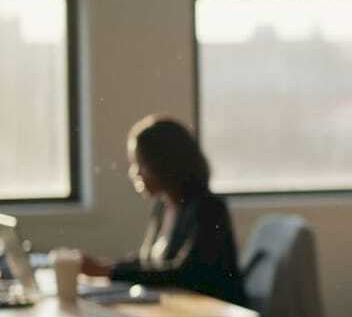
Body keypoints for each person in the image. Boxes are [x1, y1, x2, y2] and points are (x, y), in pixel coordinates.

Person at [81, 115, 245, 306]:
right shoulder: (163, 206)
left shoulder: (208, 209)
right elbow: (149, 262)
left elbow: (185, 275)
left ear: (165, 163)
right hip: (180, 310)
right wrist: (106, 267)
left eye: (141, 164)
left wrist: (107, 272)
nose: (135, 173)